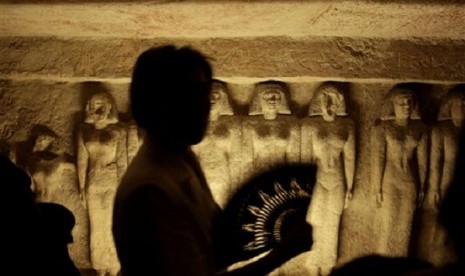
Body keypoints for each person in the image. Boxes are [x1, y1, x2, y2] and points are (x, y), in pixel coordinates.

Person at [112, 45, 312, 276]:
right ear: (159, 105)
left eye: (205, 93)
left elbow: (203, 254)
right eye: (190, 95)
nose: (206, 105)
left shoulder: (182, 159)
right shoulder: (151, 191)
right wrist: (282, 253)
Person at [301, 82, 356, 275]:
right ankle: (312, 262)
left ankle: (328, 264)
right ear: (319, 103)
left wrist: (350, 186)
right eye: (326, 101)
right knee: (314, 220)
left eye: (333, 101)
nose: (330, 105)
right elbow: (304, 158)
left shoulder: (346, 125)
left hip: (337, 180)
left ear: (340, 103)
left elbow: (349, 158)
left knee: (332, 223)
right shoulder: (310, 125)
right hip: (316, 180)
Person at [371, 87, 428, 256]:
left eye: (409, 102)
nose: (406, 106)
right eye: (401, 102)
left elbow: (423, 162)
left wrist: (423, 186)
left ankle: (400, 265)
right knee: (388, 225)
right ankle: (382, 264)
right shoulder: (384, 128)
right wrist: (376, 188)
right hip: (390, 180)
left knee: (405, 228)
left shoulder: (419, 129)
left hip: (410, 182)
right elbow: (378, 159)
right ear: (393, 105)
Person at [77, 90, 127, 276]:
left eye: (101, 103)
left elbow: (122, 161)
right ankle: (99, 266)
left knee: (113, 223)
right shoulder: (84, 131)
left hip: (112, 181)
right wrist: (82, 187)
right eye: (95, 103)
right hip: (93, 181)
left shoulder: (118, 130)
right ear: (90, 106)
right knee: (97, 226)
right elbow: (82, 161)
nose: (98, 106)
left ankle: (114, 266)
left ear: (109, 106)